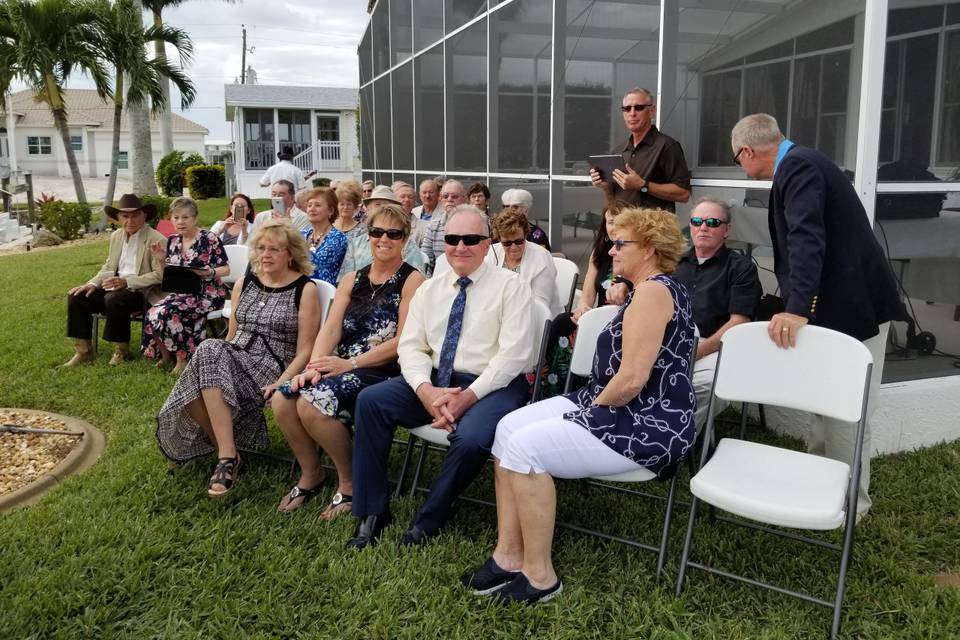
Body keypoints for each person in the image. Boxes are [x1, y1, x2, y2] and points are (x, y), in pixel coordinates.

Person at [460, 207, 695, 604]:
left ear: (651, 249)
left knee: (525, 448)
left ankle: (540, 577)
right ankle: (509, 554)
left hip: (647, 422)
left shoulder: (654, 293)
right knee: (506, 430)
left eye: (622, 243)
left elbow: (633, 378)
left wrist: (585, 414)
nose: (613, 250)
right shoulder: (648, 289)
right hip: (616, 405)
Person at [731, 113, 904, 518]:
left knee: (848, 410)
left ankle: (848, 506)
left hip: (855, 308)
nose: (742, 167)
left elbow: (806, 238)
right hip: (835, 309)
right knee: (824, 403)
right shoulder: (800, 163)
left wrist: (795, 309)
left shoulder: (800, 166)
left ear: (748, 151)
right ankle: (818, 487)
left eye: (738, 160)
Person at [347, 205, 534, 549]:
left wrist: (468, 396)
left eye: (471, 239)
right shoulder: (430, 289)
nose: (460, 247)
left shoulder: (512, 287)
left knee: (472, 437)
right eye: (452, 239)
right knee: (371, 402)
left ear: (488, 242)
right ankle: (371, 512)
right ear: (443, 243)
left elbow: (514, 356)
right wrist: (425, 390)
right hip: (435, 380)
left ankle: (429, 519)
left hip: (495, 384)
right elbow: (411, 347)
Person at [272, 204, 425, 517]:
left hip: (383, 370)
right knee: (283, 398)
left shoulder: (413, 281)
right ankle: (312, 473)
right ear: (367, 236)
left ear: (405, 239)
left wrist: (351, 365)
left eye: (393, 234)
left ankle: (350, 484)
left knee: (310, 404)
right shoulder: (352, 279)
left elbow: (402, 342)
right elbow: (331, 329)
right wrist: (314, 368)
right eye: (377, 232)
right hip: (341, 363)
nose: (384, 239)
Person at [156, 220, 321, 498]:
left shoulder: (306, 289)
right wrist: (223, 366)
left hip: (272, 364)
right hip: (235, 355)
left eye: (275, 249)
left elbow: (305, 349)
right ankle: (227, 452)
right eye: (261, 248)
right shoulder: (244, 283)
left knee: (207, 351)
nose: (265, 255)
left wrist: (281, 382)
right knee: (210, 353)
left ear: (290, 253)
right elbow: (231, 336)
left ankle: (227, 455)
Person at [673, 197, 761, 427]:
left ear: (726, 230)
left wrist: (698, 350)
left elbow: (739, 322)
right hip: (671, 343)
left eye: (712, 222)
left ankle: (678, 442)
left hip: (715, 348)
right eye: (696, 221)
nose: (703, 227)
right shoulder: (672, 263)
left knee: (703, 384)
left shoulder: (741, 268)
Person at [63, 194, 166, 367]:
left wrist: (127, 282)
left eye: (135, 216)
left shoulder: (156, 238)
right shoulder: (116, 236)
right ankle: (84, 351)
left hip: (141, 291)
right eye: (125, 216)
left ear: (144, 216)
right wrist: (92, 283)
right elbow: (109, 266)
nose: (130, 220)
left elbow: (160, 275)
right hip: (115, 286)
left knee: (114, 299)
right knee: (78, 297)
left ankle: (121, 351)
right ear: (118, 218)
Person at [142, 197, 230, 375]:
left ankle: (183, 358)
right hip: (182, 292)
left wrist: (208, 272)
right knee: (153, 311)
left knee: (172, 312)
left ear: (195, 218)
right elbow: (169, 272)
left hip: (208, 293)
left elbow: (226, 269)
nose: (180, 222)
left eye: (185, 217)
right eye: (176, 218)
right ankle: (166, 355)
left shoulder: (209, 238)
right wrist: (160, 259)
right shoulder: (173, 240)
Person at [590, 87, 691, 212]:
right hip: (622, 227)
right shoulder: (618, 151)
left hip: (652, 229)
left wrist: (643, 185)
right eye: (627, 108)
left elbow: (683, 194)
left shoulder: (667, 146)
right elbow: (613, 199)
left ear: (652, 111)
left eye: (638, 108)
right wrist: (606, 187)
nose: (632, 113)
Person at [486, 209, 562, 316]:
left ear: (526, 235)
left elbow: (540, 306)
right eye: (507, 243)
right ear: (499, 239)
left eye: (519, 241)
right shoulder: (490, 253)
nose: (513, 247)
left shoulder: (541, 257)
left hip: (538, 321)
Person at [339, 186, 425, 279]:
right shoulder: (355, 243)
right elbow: (344, 279)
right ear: (367, 210)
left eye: (388, 206)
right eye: (377, 204)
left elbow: (417, 280)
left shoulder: (407, 243)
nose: (382, 210)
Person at [419, 179, 467, 274]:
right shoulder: (433, 226)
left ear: (464, 198)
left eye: (454, 196)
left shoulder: (475, 225)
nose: (449, 199)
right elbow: (425, 261)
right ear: (440, 199)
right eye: (445, 196)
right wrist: (430, 285)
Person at [301, 187, 348, 285]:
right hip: (300, 287)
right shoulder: (302, 234)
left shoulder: (338, 237)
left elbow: (317, 263)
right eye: (309, 205)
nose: (312, 209)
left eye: (317, 205)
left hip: (324, 292)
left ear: (330, 211)